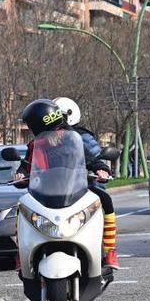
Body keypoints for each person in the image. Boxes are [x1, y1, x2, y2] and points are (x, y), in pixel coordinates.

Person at [53, 96, 120, 269]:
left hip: (79, 187)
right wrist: (22, 173)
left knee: (105, 200)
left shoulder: (80, 138)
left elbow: (93, 158)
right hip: (51, 189)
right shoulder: (41, 141)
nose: (55, 123)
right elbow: (30, 162)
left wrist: (101, 170)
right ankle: (22, 253)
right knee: (23, 206)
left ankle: (110, 250)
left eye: (59, 118)